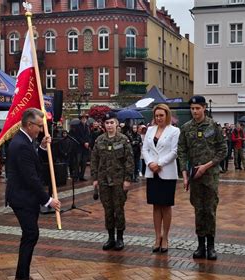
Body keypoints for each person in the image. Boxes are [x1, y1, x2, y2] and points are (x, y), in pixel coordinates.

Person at [5, 108, 61, 280]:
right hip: (22, 197)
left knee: (30, 235)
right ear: (29, 124)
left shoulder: (26, 141)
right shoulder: (21, 144)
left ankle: (22, 275)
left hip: (27, 197)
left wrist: (43, 148)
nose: (41, 130)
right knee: (31, 234)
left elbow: (33, 160)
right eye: (39, 126)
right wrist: (48, 200)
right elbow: (31, 178)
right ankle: (21, 278)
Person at [178, 96, 227, 260]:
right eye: (192, 108)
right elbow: (182, 151)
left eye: (197, 108)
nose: (194, 111)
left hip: (210, 176)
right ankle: (200, 246)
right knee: (199, 210)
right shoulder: (186, 128)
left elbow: (223, 150)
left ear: (204, 108)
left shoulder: (213, 126)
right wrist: (184, 174)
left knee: (210, 211)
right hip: (194, 177)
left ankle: (211, 246)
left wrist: (206, 166)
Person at [91, 111, 134, 251]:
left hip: (118, 181)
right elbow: (94, 160)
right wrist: (95, 178)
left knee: (118, 209)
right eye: (107, 123)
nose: (109, 125)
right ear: (104, 125)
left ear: (116, 124)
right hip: (103, 181)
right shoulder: (99, 140)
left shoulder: (123, 140)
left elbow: (129, 160)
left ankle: (120, 238)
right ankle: (110, 237)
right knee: (108, 210)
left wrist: (127, 179)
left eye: (112, 123)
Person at [141, 104, 180, 253]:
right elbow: (145, 149)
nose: (159, 118)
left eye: (161, 115)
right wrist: (150, 163)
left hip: (166, 172)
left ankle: (166, 238)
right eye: (156, 116)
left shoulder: (174, 131)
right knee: (156, 206)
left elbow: (174, 151)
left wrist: (159, 164)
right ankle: (157, 237)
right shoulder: (150, 130)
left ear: (167, 115)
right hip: (152, 172)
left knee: (166, 206)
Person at [73, 113, 90, 181]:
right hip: (79, 147)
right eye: (83, 118)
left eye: (85, 118)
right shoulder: (77, 126)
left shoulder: (88, 126)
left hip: (86, 148)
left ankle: (81, 176)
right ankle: (76, 176)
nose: (84, 119)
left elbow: (89, 136)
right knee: (77, 162)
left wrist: (88, 143)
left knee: (84, 162)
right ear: (80, 119)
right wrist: (84, 143)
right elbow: (77, 137)